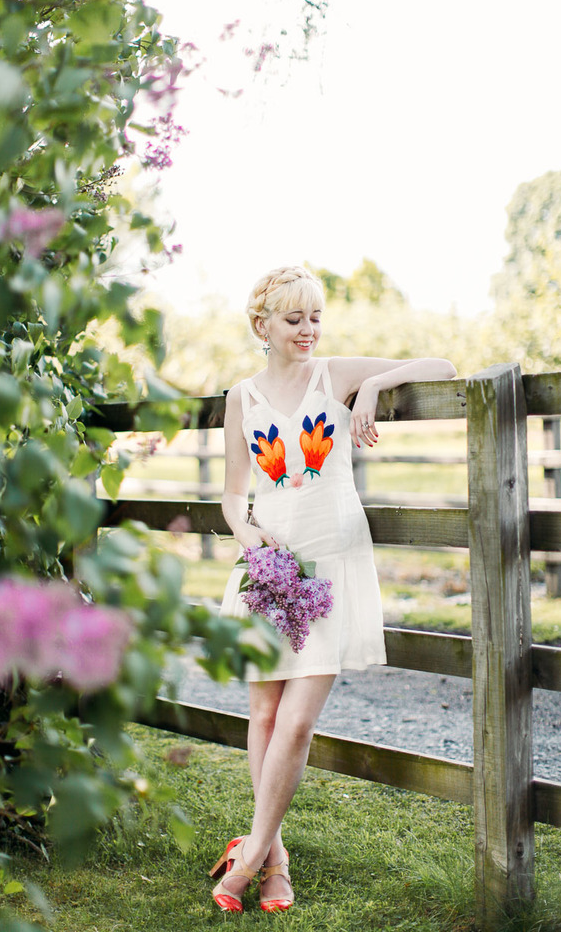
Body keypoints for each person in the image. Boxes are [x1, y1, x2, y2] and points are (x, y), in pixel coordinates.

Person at [209, 265, 457, 914]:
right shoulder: (242, 398)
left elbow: (442, 366)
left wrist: (374, 384)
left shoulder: (334, 375)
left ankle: (245, 861)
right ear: (262, 325)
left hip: (331, 565)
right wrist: (247, 535)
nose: (308, 330)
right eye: (294, 319)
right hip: (270, 570)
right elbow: (233, 495)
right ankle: (274, 859)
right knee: (264, 717)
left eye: (315, 317)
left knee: (295, 723)